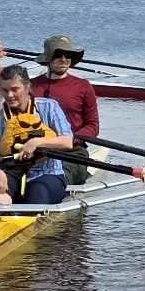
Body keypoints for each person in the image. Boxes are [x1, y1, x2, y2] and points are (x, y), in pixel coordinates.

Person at [0, 65, 73, 207]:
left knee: (37, 193)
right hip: (9, 172)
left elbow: (67, 142)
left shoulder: (49, 107)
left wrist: (36, 142)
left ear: (27, 87)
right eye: (5, 90)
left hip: (46, 173)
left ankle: (34, 216)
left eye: (14, 89)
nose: (9, 95)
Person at [29, 33, 99, 185]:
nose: (64, 59)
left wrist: (69, 139)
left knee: (56, 178)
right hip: (35, 149)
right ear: (48, 59)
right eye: (58, 55)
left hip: (72, 151)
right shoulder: (29, 86)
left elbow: (93, 126)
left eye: (68, 55)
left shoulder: (83, 87)